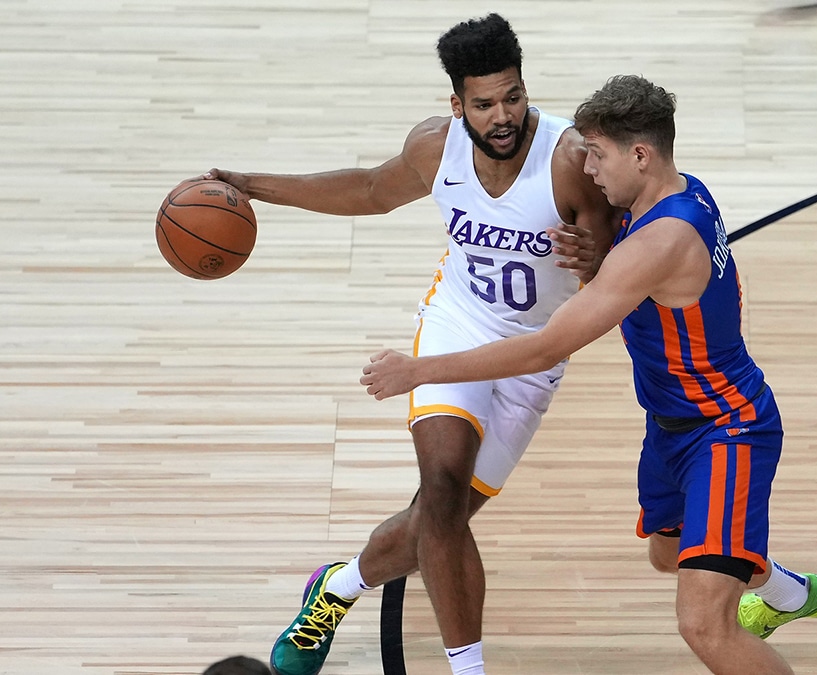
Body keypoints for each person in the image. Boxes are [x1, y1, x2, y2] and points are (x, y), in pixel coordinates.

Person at [360, 75, 817, 674]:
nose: (586, 168)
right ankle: (787, 592)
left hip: (727, 429)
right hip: (671, 428)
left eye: (598, 153)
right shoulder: (674, 194)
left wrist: (419, 369)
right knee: (670, 555)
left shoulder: (660, 240)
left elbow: (546, 347)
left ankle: (767, 594)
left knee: (703, 625)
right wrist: (598, 259)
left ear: (640, 155)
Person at [202, 13, 619, 675]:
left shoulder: (570, 162)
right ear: (457, 105)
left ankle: (338, 585)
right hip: (457, 322)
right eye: (484, 103)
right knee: (444, 491)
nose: (503, 115)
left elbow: (610, 288)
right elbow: (369, 190)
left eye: (513, 95)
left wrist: (594, 258)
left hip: (535, 352)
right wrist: (256, 187)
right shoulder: (435, 148)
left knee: (434, 521)